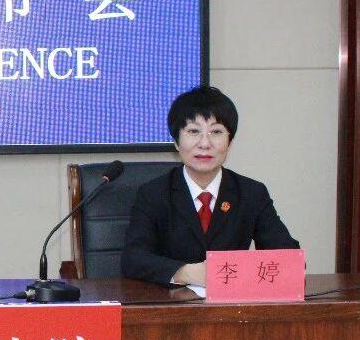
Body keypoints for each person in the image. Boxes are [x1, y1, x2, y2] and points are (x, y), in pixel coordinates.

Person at [121, 85, 299, 287]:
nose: (205, 143)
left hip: (232, 302)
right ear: (177, 142)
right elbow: (133, 259)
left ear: (230, 142)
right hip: (170, 301)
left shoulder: (251, 193)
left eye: (216, 132)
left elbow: (289, 257)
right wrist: (185, 272)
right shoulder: (153, 193)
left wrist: (237, 272)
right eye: (193, 131)